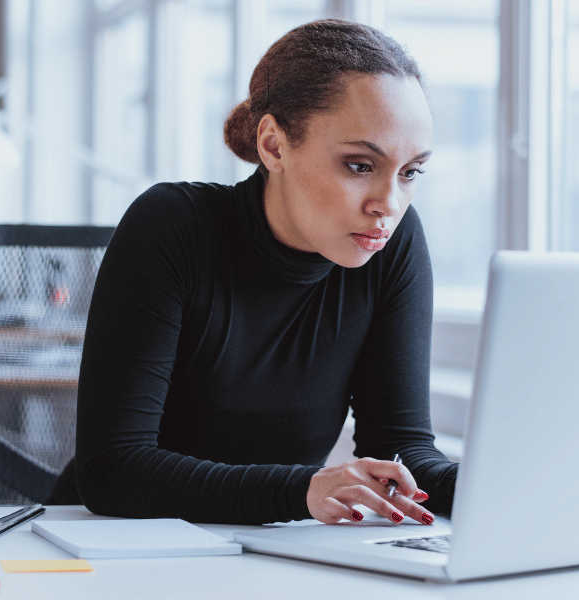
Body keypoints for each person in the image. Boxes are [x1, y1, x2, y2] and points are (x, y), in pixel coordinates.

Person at [65, 19, 457, 526]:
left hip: (267, 551)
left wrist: (506, 483)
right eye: (360, 165)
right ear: (274, 145)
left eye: (411, 172)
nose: (389, 203)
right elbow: (112, 470)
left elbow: (402, 451)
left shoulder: (392, 245)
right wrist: (301, 492)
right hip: (114, 547)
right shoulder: (171, 226)